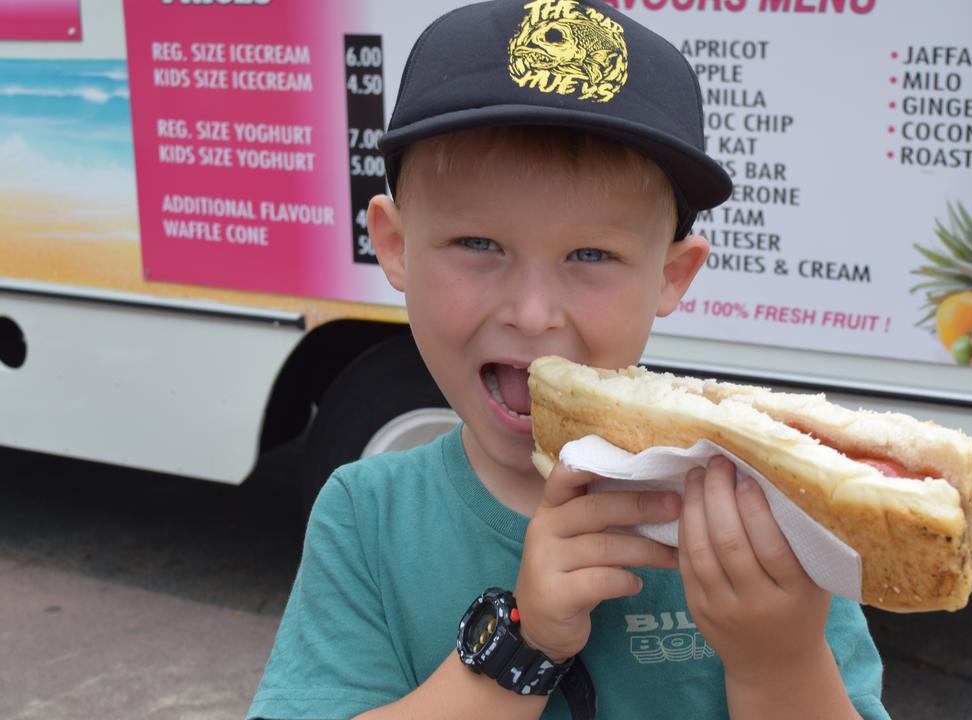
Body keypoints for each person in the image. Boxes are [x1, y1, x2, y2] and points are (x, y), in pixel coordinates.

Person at [247, 1, 890, 718]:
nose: (532, 311)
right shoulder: (367, 518)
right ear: (394, 246)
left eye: (591, 255)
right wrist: (517, 650)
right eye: (478, 245)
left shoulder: (765, 510)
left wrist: (781, 662)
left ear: (672, 276)